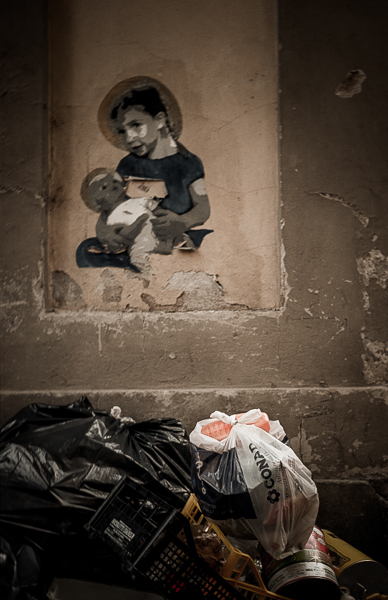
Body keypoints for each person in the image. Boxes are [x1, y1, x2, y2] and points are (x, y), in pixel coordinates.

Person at [76, 83, 212, 270]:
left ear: (159, 120)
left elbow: (203, 208)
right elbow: (108, 207)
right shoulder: (127, 165)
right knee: (84, 252)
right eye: (123, 132)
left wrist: (182, 222)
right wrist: (106, 234)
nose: (129, 138)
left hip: (173, 236)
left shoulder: (188, 163)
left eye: (136, 125)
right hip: (134, 237)